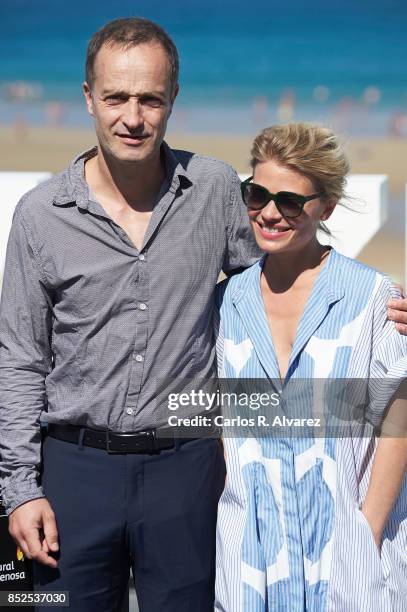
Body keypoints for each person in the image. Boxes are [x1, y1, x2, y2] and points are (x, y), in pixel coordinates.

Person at [0, 17, 261, 612]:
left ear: (173, 99)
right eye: (116, 97)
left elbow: (270, 295)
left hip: (188, 471)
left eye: (151, 98)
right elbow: (18, 358)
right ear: (88, 97)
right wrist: (18, 492)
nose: (133, 117)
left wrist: (377, 307)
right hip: (70, 475)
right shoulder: (40, 215)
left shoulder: (216, 188)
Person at [214, 123, 407, 611]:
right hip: (248, 562)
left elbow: (398, 416)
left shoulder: (372, 298)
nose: (270, 213)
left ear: (327, 208)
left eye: (291, 202)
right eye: (256, 194)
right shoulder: (225, 302)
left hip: (347, 557)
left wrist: (366, 530)